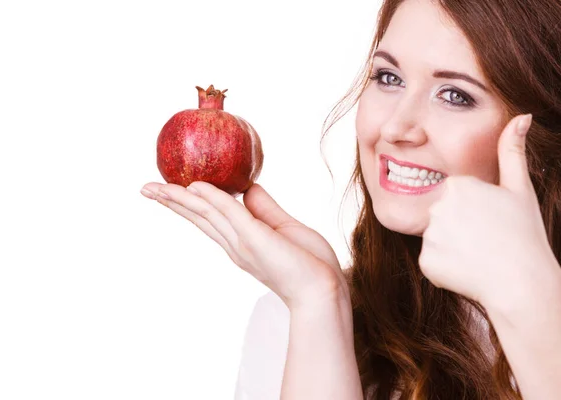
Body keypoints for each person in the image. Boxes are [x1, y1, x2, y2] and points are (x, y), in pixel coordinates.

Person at [140, 0, 561, 397]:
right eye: (388, 78)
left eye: (455, 95)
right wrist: (318, 305)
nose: (395, 127)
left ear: (541, 139)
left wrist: (532, 304)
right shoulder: (294, 323)